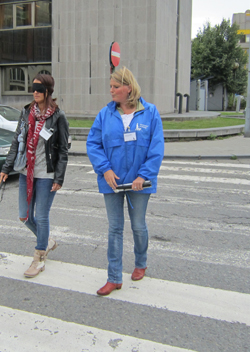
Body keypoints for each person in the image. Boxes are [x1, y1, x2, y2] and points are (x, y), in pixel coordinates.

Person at [86, 67, 164, 296]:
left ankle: (141, 262)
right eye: (110, 86)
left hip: (140, 182)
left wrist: (144, 176)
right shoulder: (105, 114)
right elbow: (93, 144)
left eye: (115, 86)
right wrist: (105, 170)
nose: (111, 90)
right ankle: (114, 278)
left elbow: (156, 148)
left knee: (138, 226)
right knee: (115, 229)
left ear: (128, 87)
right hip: (112, 182)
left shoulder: (150, 112)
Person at [0, 74, 69, 278]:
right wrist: (5, 168)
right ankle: (47, 241)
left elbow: (63, 150)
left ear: (47, 91)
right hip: (25, 172)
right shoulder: (27, 112)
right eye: (33, 88)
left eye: (39, 89)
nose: (35, 92)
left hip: (47, 174)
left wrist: (59, 178)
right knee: (25, 215)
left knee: (42, 216)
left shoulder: (58, 116)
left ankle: (39, 257)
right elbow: (16, 141)